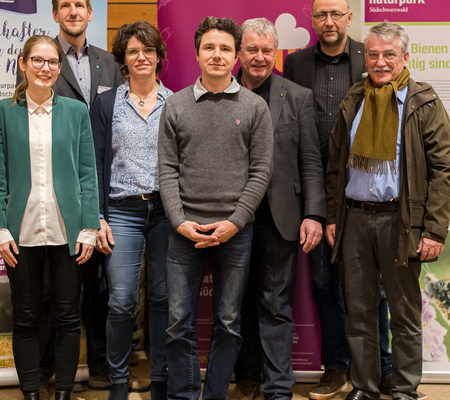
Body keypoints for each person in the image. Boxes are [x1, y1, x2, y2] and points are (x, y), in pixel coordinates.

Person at [324, 21, 450, 400]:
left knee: (402, 312)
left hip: (400, 222)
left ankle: (403, 389)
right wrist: (333, 216)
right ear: (365, 57)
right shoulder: (354, 99)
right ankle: (365, 388)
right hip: (354, 220)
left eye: (388, 55)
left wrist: (433, 230)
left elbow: (443, 170)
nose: (380, 62)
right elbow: (335, 165)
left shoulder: (423, 102)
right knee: (360, 311)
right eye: (373, 54)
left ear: (405, 57)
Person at [284, 1, 397, 398]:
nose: (328, 21)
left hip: (366, 187)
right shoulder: (295, 63)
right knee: (323, 281)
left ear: (350, 18)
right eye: (320, 15)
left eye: (336, 13)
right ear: (311, 19)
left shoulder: (370, 57)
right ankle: (336, 366)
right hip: (316, 187)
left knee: (375, 286)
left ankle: (382, 367)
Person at [158, 16, 274, 400]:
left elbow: (261, 172)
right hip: (184, 231)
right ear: (196, 53)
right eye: (210, 47)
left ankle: (214, 396)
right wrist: (179, 221)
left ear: (236, 54)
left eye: (226, 48)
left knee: (228, 322)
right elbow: (167, 171)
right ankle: (186, 394)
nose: (217, 55)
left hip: (236, 233)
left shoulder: (255, 107)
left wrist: (235, 223)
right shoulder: (174, 106)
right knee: (178, 322)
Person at [16, 1, 125, 393]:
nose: (74, 11)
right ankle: (44, 370)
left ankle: (99, 366)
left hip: (103, 177)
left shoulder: (110, 62)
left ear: (91, 13)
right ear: (56, 14)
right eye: (66, 5)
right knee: (46, 293)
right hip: (52, 190)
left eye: (81, 4)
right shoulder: (44, 59)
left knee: (99, 284)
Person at [0, 35, 100, 400]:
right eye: (37, 61)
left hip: (69, 232)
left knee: (68, 318)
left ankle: (63, 392)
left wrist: (89, 226)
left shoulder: (76, 111)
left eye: (52, 62)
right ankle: (31, 393)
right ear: (23, 64)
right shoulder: (3, 110)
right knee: (25, 319)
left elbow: (87, 173)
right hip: (20, 232)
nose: (45, 68)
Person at [228, 18, 325, 400]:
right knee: (234, 304)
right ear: (240, 51)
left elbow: (311, 161)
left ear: (276, 52)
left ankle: (279, 388)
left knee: (275, 304)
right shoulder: (222, 91)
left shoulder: (296, 96)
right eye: (252, 49)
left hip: (280, 217)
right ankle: (246, 377)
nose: (259, 57)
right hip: (231, 216)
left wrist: (315, 214)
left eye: (267, 50)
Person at [90, 21, 172, 400]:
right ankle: (118, 381)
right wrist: (99, 216)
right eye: (133, 50)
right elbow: (94, 161)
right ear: (123, 58)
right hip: (121, 212)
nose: (142, 57)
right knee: (121, 299)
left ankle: (160, 380)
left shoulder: (176, 103)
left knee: (161, 298)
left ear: (159, 56)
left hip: (165, 214)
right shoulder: (107, 103)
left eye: (148, 50)